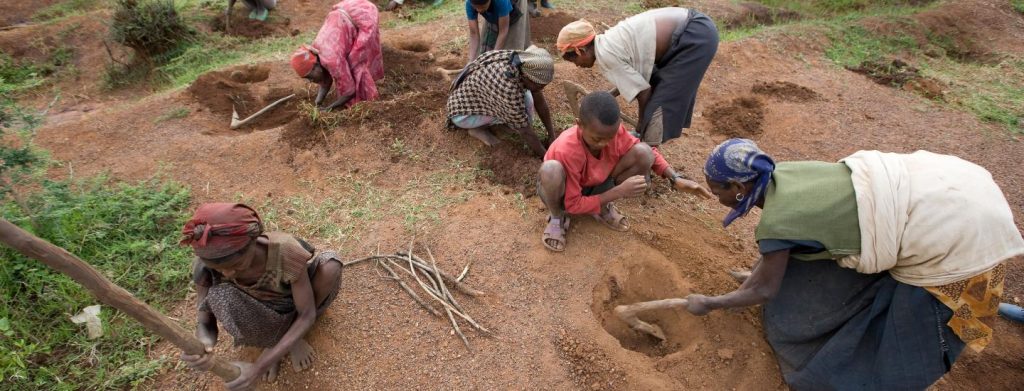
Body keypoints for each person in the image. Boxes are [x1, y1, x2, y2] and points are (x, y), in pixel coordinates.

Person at [682, 139, 1024, 389]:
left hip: (956, 235)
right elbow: (788, 247)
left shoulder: (776, 226)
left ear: (739, 187)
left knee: (908, 334)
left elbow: (766, 289)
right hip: (953, 185)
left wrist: (710, 303)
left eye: (717, 192)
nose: (717, 198)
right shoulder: (786, 174)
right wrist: (757, 275)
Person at [178, 203, 343, 391]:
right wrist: (203, 345)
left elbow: (306, 314)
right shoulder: (205, 266)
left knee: (331, 265)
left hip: (295, 305)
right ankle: (273, 343)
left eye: (238, 265)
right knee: (220, 295)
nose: (228, 272)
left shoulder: (285, 251)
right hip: (259, 314)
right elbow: (204, 320)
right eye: (219, 269)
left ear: (254, 241)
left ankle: (289, 340)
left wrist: (258, 367)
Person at [537, 92, 711, 252]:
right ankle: (556, 217)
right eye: (596, 139)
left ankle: (602, 207)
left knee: (644, 153)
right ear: (579, 125)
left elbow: (641, 148)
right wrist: (618, 191)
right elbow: (572, 204)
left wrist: (674, 177)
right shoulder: (567, 150)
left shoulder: (611, 132)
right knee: (550, 170)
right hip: (563, 192)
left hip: (594, 182)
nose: (603, 144)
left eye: (609, 138)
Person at [556, 8, 718, 147]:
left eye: (573, 60)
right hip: (694, 26)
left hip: (693, 38)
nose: (576, 65)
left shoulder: (606, 56)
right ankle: (646, 146)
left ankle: (645, 159)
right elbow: (639, 77)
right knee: (657, 84)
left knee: (658, 107)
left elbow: (643, 92)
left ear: (580, 51)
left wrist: (641, 126)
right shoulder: (609, 40)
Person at [446, 45, 556, 156]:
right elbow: (525, 131)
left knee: (526, 110)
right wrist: (545, 156)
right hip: (464, 114)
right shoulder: (508, 88)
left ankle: (500, 122)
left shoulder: (523, 62)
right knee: (519, 121)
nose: (541, 89)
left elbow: (540, 102)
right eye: (539, 85)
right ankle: (477, 129)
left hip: (483, 96)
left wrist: (552, 134)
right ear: (526, 77)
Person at [291, 0, 383, 112]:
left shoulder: (331, 60)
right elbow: (326, 80)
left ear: (315, 65)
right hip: (349, 9)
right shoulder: (316, 52)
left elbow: (349, 91)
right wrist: (317, 103)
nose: (310, 81)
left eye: (310, 76)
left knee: (355, 64)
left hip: (364, 15)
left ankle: (369, 102)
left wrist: (329, 109)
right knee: (348, 66)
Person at [466, 0, 531, 63]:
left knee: (510, 53)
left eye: (482, 7)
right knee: (485, 53)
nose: (479, 10)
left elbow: (503, 31)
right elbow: (474, 33)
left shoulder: (501, 1)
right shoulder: (469, 3)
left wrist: (493, 57)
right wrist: (470, 61)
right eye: (475, 7)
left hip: (514, 4)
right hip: (495, 6)